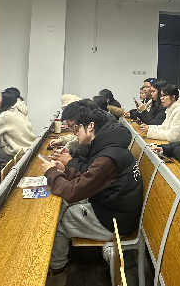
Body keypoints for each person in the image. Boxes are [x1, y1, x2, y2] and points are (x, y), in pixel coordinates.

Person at [41, 106, 143, 286]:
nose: (74, 133)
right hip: (115, 209)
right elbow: (91, 178)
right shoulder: (110, 146)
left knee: (60, 220)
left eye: (77, 128)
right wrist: (66, 171)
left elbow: (72, 192)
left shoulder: (107, 158)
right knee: (63, 204)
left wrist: (51, 173)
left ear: (90, 126)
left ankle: (57, 272)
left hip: (114, 222)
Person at [0, 91, 35, 172]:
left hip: (16, 152)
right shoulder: (17, 111)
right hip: (28, 148)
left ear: (5, 102)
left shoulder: (5, 115)